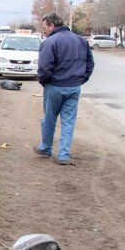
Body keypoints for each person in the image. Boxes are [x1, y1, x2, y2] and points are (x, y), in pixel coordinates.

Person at [33, 12, 94, 165]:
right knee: (68, 122)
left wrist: (44, 82)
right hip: (74, 88)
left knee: (49, 119)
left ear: (52, 25)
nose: (44, 31)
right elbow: (90, 65)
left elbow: (44, 68)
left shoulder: (50, 42)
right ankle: (63, 155)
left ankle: (46, 148)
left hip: (55, 87)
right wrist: (80, 80)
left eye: (45, 27)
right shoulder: (81, 40)